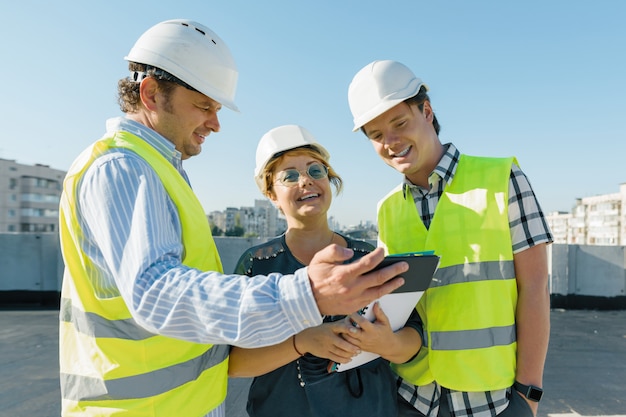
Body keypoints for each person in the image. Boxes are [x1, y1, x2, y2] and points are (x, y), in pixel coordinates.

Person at [57, 20, 407, 417]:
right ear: (151, 93)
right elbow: (156, 292)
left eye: (217, 109)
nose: (215, 123)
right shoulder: (121, 167)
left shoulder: (159, 170)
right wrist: (305, 295)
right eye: (204, 106)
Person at [347, 60, 553, 417]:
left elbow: (535, 286)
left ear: (426, 112)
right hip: (412, 398)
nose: (391, 142)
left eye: (400, 123)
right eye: (376, 135)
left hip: (492, 400)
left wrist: (528, 392)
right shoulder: (387, 209)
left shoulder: (502, 178)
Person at [228, 124, 423, 417]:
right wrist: (302, 342)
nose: (306, 181)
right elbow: (233, 363)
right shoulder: (257, 265)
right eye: (289, 176)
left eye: (316, 171)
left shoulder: (368, 258)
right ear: (271, 194)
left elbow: (413, 341)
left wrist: (387, 343)